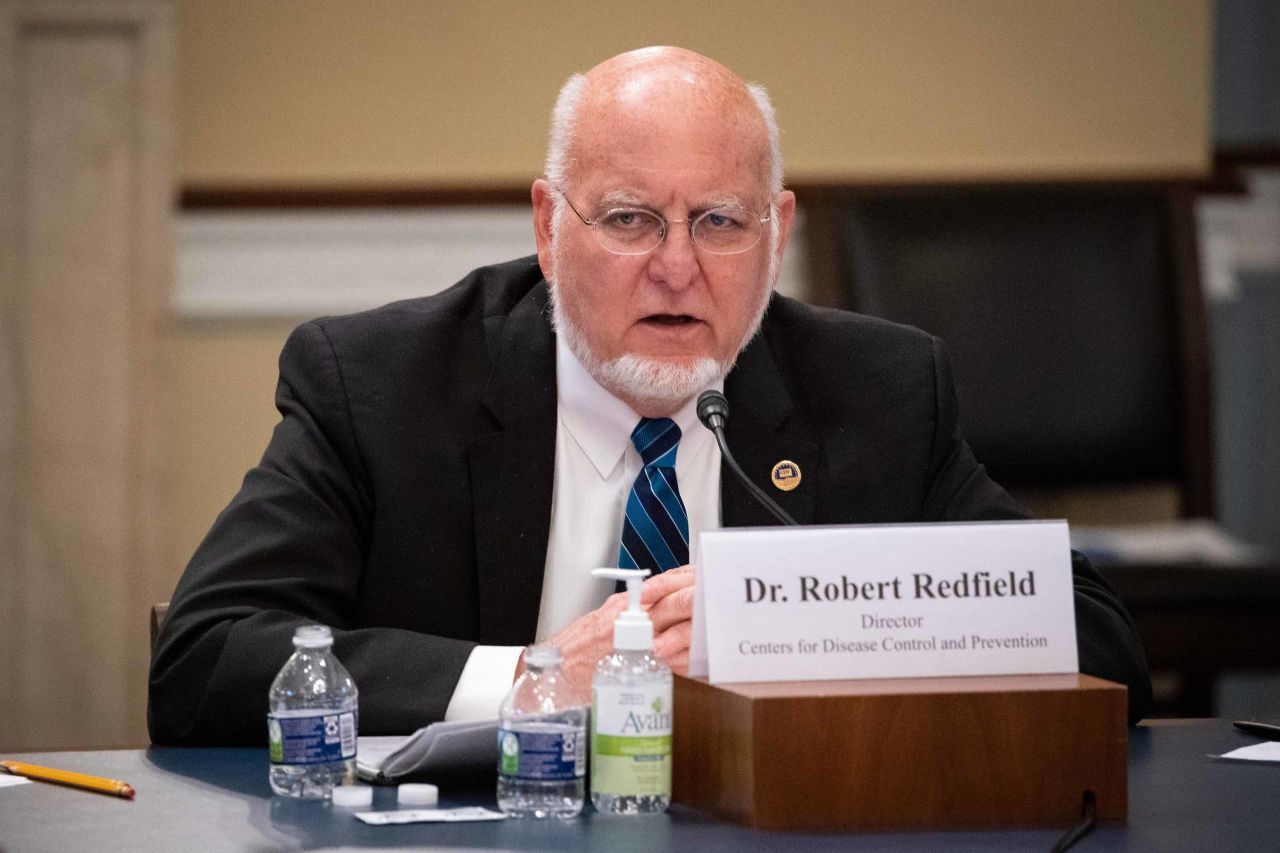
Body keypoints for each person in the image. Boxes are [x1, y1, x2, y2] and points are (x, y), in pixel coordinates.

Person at [148, 46, 1151, 745]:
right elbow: (204, 659)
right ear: (548, 227)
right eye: (629, 219)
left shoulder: (878, 388)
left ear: (778, 230)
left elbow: (1097, 643)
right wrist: (541, 680)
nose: (678, 268)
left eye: (719, 221)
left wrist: (807, 623)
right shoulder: (379, 383)